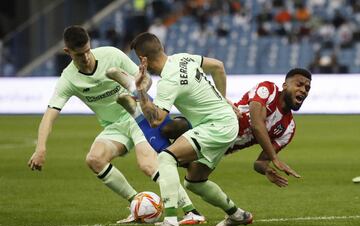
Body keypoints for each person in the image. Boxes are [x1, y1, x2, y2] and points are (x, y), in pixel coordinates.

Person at [27, 25, 204, 225]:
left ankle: (192, 212)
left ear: (90, 44)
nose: (85, 58)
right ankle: (139, 205)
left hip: (137, 113)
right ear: (67, 52)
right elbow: (50, 115)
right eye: (79, 55)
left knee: (148, 163)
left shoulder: (111, 55)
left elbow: (145, 79)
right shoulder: (69, 79)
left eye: (87, 51)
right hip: (115, 126)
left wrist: (138, 86)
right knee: (94, 159)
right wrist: (40, 148)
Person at [130, 32, 256, 226]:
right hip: (225, 123)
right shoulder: (183, 57)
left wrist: (141, 90)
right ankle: (237, 215)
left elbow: (155, 120)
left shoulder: (168, 81)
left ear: (143, 59)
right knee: (195, 181)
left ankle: (170, 223)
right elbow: (218, 66)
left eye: (138, 59)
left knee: (166, 157)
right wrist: (222, 100)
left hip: (216, 126)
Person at [108, 67, 309, 188]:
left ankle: (136, 107)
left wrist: (266, 169)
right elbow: (257, 125)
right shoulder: (269, 89)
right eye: (299, 84)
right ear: (285, 85)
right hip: (214, 121)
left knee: (181, 166)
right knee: (169, 129)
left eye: (307, 88)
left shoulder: (288, 128)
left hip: (219, 148)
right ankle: (136, 89)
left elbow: (259, 163)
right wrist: (275, 157)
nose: (304, 90)